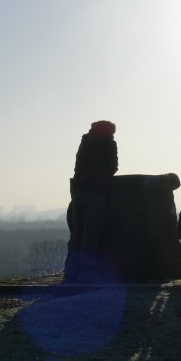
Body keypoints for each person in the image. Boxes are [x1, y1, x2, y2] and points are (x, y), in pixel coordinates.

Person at [63, 120, 118, 282]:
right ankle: (87, 272)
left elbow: (78, 166)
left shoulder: (85, 141)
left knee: (77, 233)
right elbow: (112, 167)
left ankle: (71, 270)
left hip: (78, 191)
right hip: (96, 191)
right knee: (91, 234)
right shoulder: (109, 143)